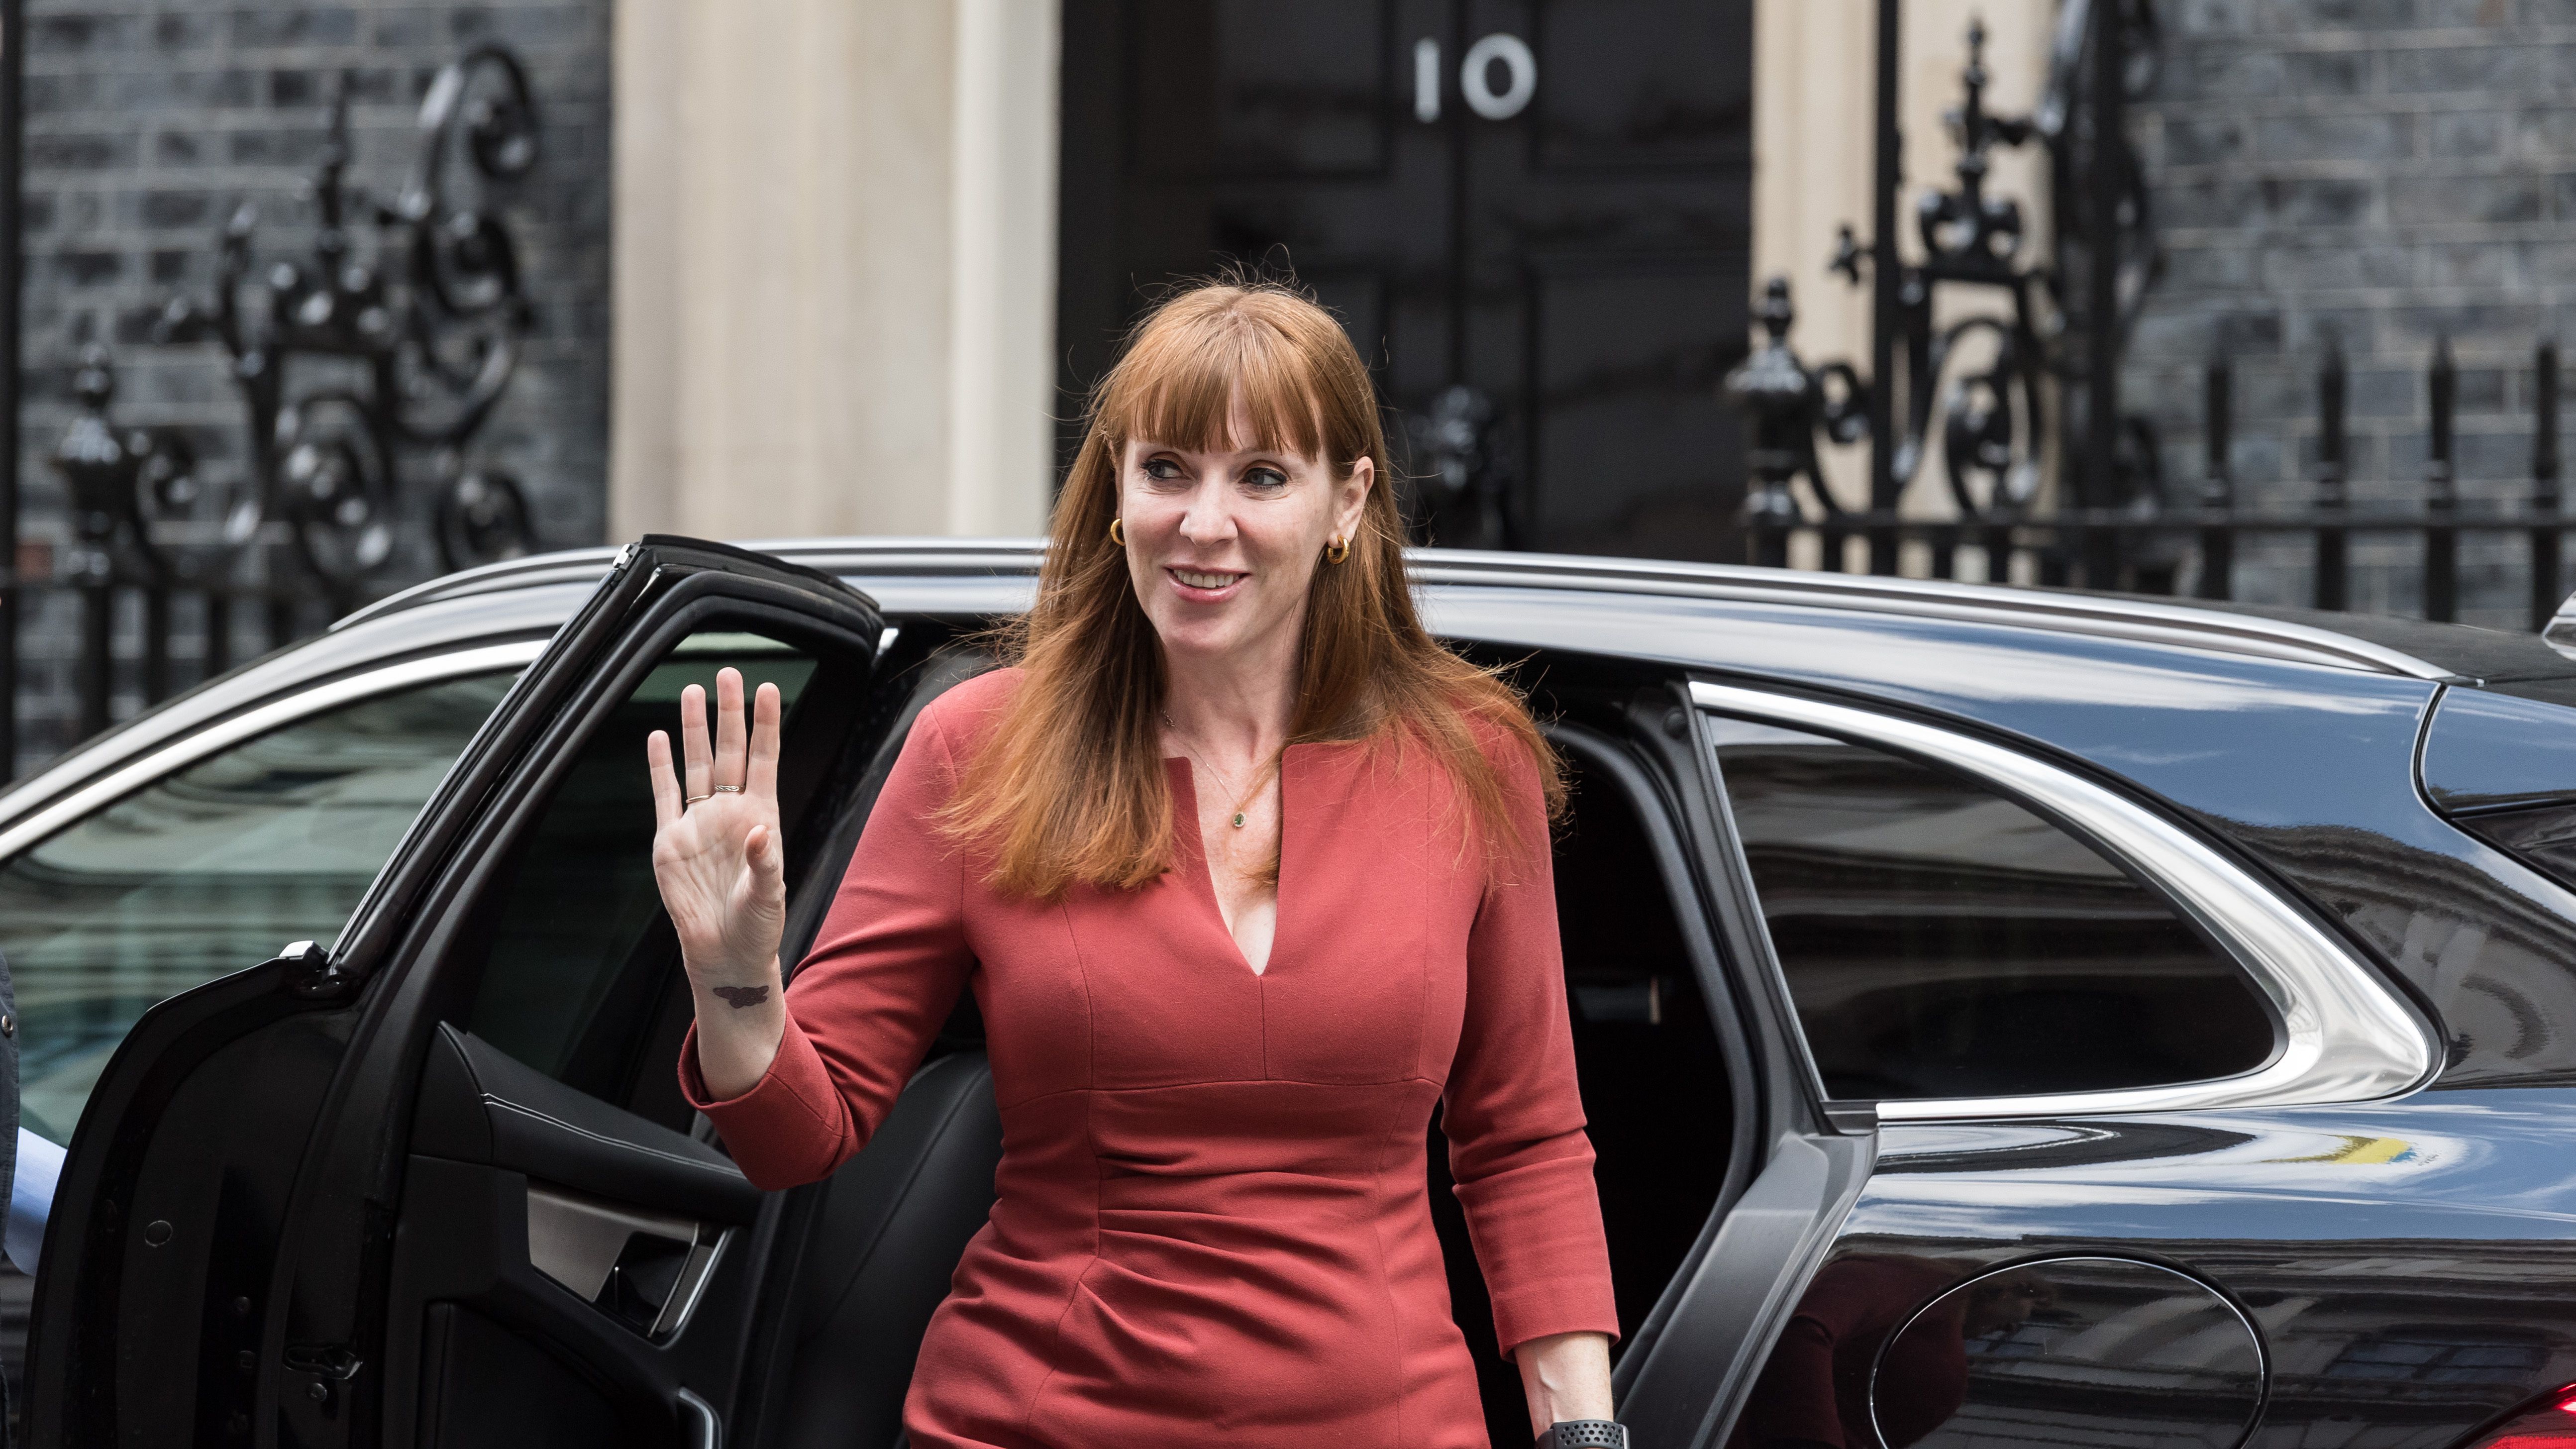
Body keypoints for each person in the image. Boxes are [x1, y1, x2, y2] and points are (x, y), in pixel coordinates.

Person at [647, 279, 1622, 1449]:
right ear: (1116, 491)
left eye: (1262, 476)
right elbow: (802, 1135)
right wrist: (735, 971)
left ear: (1347, 502)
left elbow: (1524, 1146)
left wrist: (1582, 1434)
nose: (1203, 522)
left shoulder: (1471, 766)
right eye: (1166, 469)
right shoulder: (982, 750)